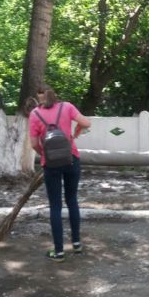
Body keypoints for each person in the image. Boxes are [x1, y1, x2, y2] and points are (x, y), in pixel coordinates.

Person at [29, 84, 91, 262]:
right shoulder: (67, 107)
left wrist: (45, 155)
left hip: (51, 165)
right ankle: (77, 244)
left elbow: (34, 144)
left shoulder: (35, 114)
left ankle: (59, 252)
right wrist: (75, 132)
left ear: (39, 97)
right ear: (54, 94)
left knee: (55, 206)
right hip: (71, 159)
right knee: (72, 200)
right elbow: (86, 123)